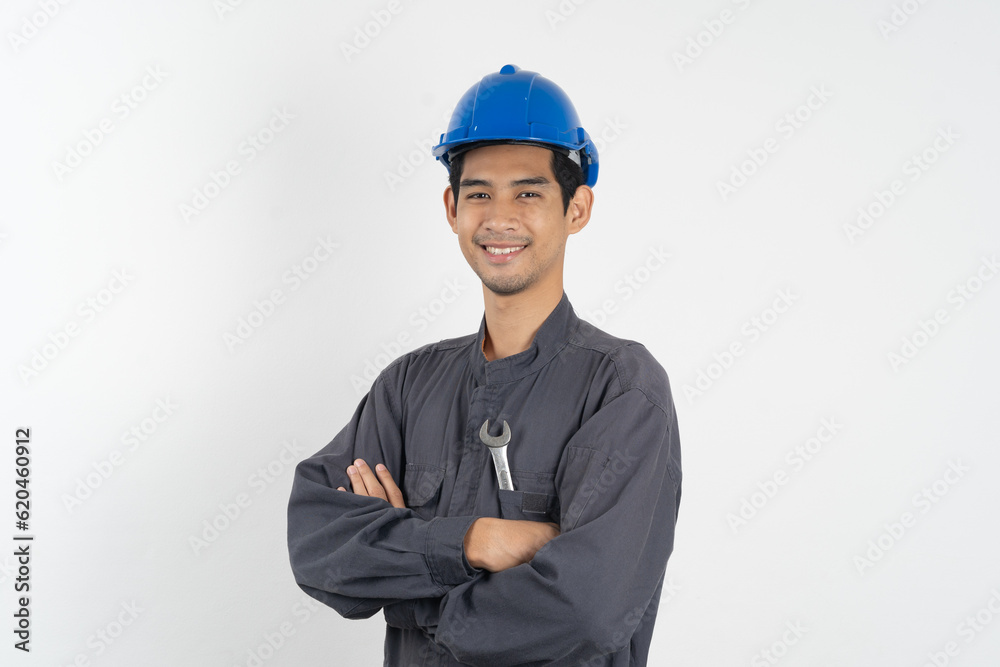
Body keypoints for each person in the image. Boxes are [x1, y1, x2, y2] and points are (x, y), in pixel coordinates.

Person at [286, 64, 682, 666]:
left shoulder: (621, 389)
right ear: (452, 207)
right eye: (479, 194)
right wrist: (477, 541)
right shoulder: (408, 388)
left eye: (528, 191)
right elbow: (317, 543)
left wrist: (410, 592)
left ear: (577, 208)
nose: (499, 217)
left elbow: (586, 609)